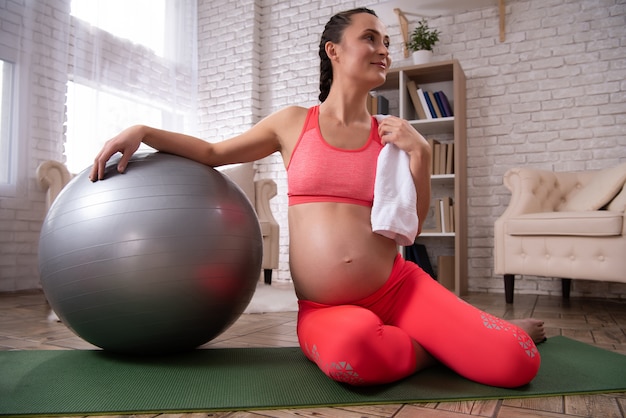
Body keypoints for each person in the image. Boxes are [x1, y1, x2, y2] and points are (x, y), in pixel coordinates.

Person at [90, 8, 545, 387]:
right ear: (334, 50)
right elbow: (213, 153)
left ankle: (473, 337)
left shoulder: (391, 138)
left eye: (387, 41)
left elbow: (410, 226)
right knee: (354, 356)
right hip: (325, 309)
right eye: (370, 38)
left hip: (399, 289)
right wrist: (144, 131)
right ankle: (446, 346)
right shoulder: (292, 124)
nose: (384, 49)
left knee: (517, 360)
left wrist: (421, 156)